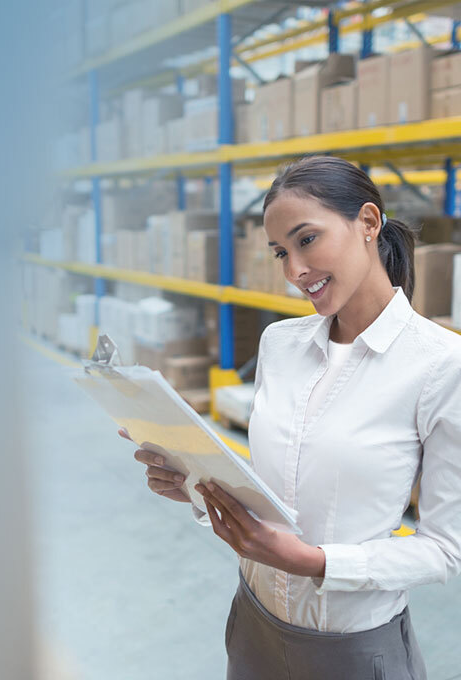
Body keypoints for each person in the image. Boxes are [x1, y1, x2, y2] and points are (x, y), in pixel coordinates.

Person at [119, 155, 461, 679]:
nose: (294, 272)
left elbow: (443, 551)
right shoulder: (279, 344)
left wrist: (313, 562)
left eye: (307, 240)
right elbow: (278, 488)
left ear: (368, 223)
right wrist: (196, 482)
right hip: (253, 623)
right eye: (280, 251)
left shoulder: (439, 365)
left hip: (352, 649)